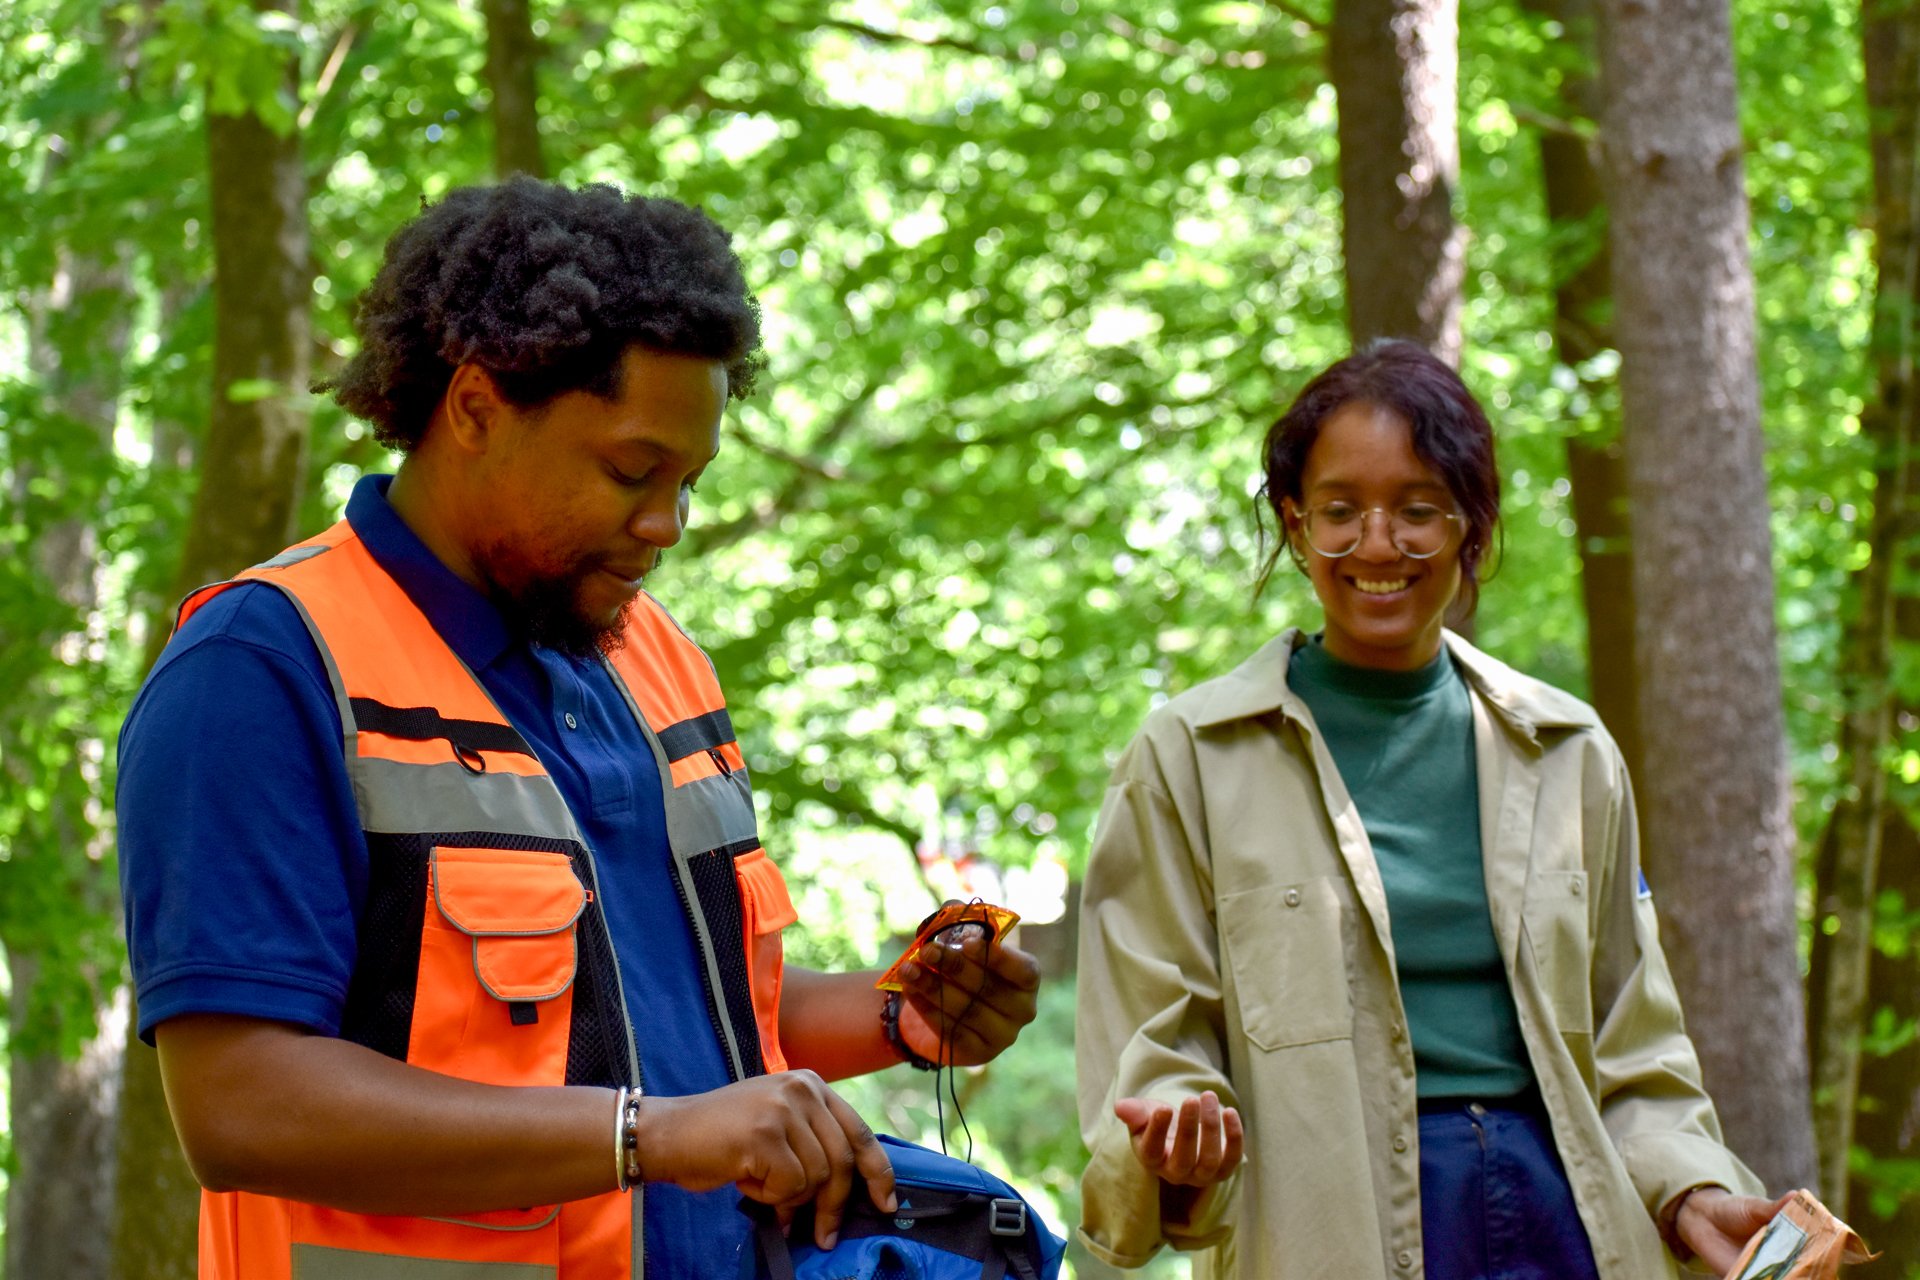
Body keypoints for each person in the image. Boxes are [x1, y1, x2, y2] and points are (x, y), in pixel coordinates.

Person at [117, 177, 1040, 1280]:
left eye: (689, 483)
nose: (666, 526)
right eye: (631, 471)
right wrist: (647, 1135)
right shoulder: (264, 668)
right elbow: (240, 1103)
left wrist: (898, 1015)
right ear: (474, 408)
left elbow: (690, 1017)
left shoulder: (650, 656)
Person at [1073, 340, 1782, 1279]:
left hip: (1568, 1224)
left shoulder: (1569, 752)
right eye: (1339, 512)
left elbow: (1633, 1047)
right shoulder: (1190, 759)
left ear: (1471, 530)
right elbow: (1153, 1047)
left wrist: (1694, 1192)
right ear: (1294, 526)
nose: (1376, 545)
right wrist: (1175, 1140)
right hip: (1332, 1236)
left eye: (1418, 511)